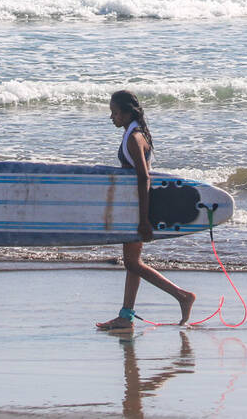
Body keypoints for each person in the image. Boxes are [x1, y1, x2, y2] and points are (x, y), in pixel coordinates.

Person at [96, 90, 195, 331]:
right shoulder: (135, 132)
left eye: (115, 112)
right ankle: (125, 316)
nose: (112, 117)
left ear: (127, 112)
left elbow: (143, 177)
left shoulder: (134, 137)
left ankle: (182, 295)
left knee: (132, 263)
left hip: (138, 207)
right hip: (135, 206)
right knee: (132, 262)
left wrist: (143, 219)